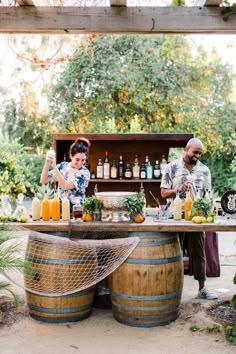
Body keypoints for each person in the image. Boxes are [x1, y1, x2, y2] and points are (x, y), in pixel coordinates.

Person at [160, 137, 218, 300]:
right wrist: (178, 189)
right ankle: (170, 287)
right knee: (173, 252)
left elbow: (208, 194)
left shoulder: (205, 170)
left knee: (199, 252)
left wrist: (208, 211)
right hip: (175, 217)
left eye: (200, 153)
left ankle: (202, 288)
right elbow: (163, 193)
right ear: (186, 149)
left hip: (196, 217)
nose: (198, 155)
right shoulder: (171, 167)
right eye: (195, 152)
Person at [40, 137, 91, 209]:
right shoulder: (63, 166)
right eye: (77, 159)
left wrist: (54, 167)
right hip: (59, 208)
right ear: (71, 156)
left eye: (83, 160)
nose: (80, 163)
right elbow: (43, 180)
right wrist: (48, 162)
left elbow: (66, 186)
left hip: (76, 210)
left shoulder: (84, 173)